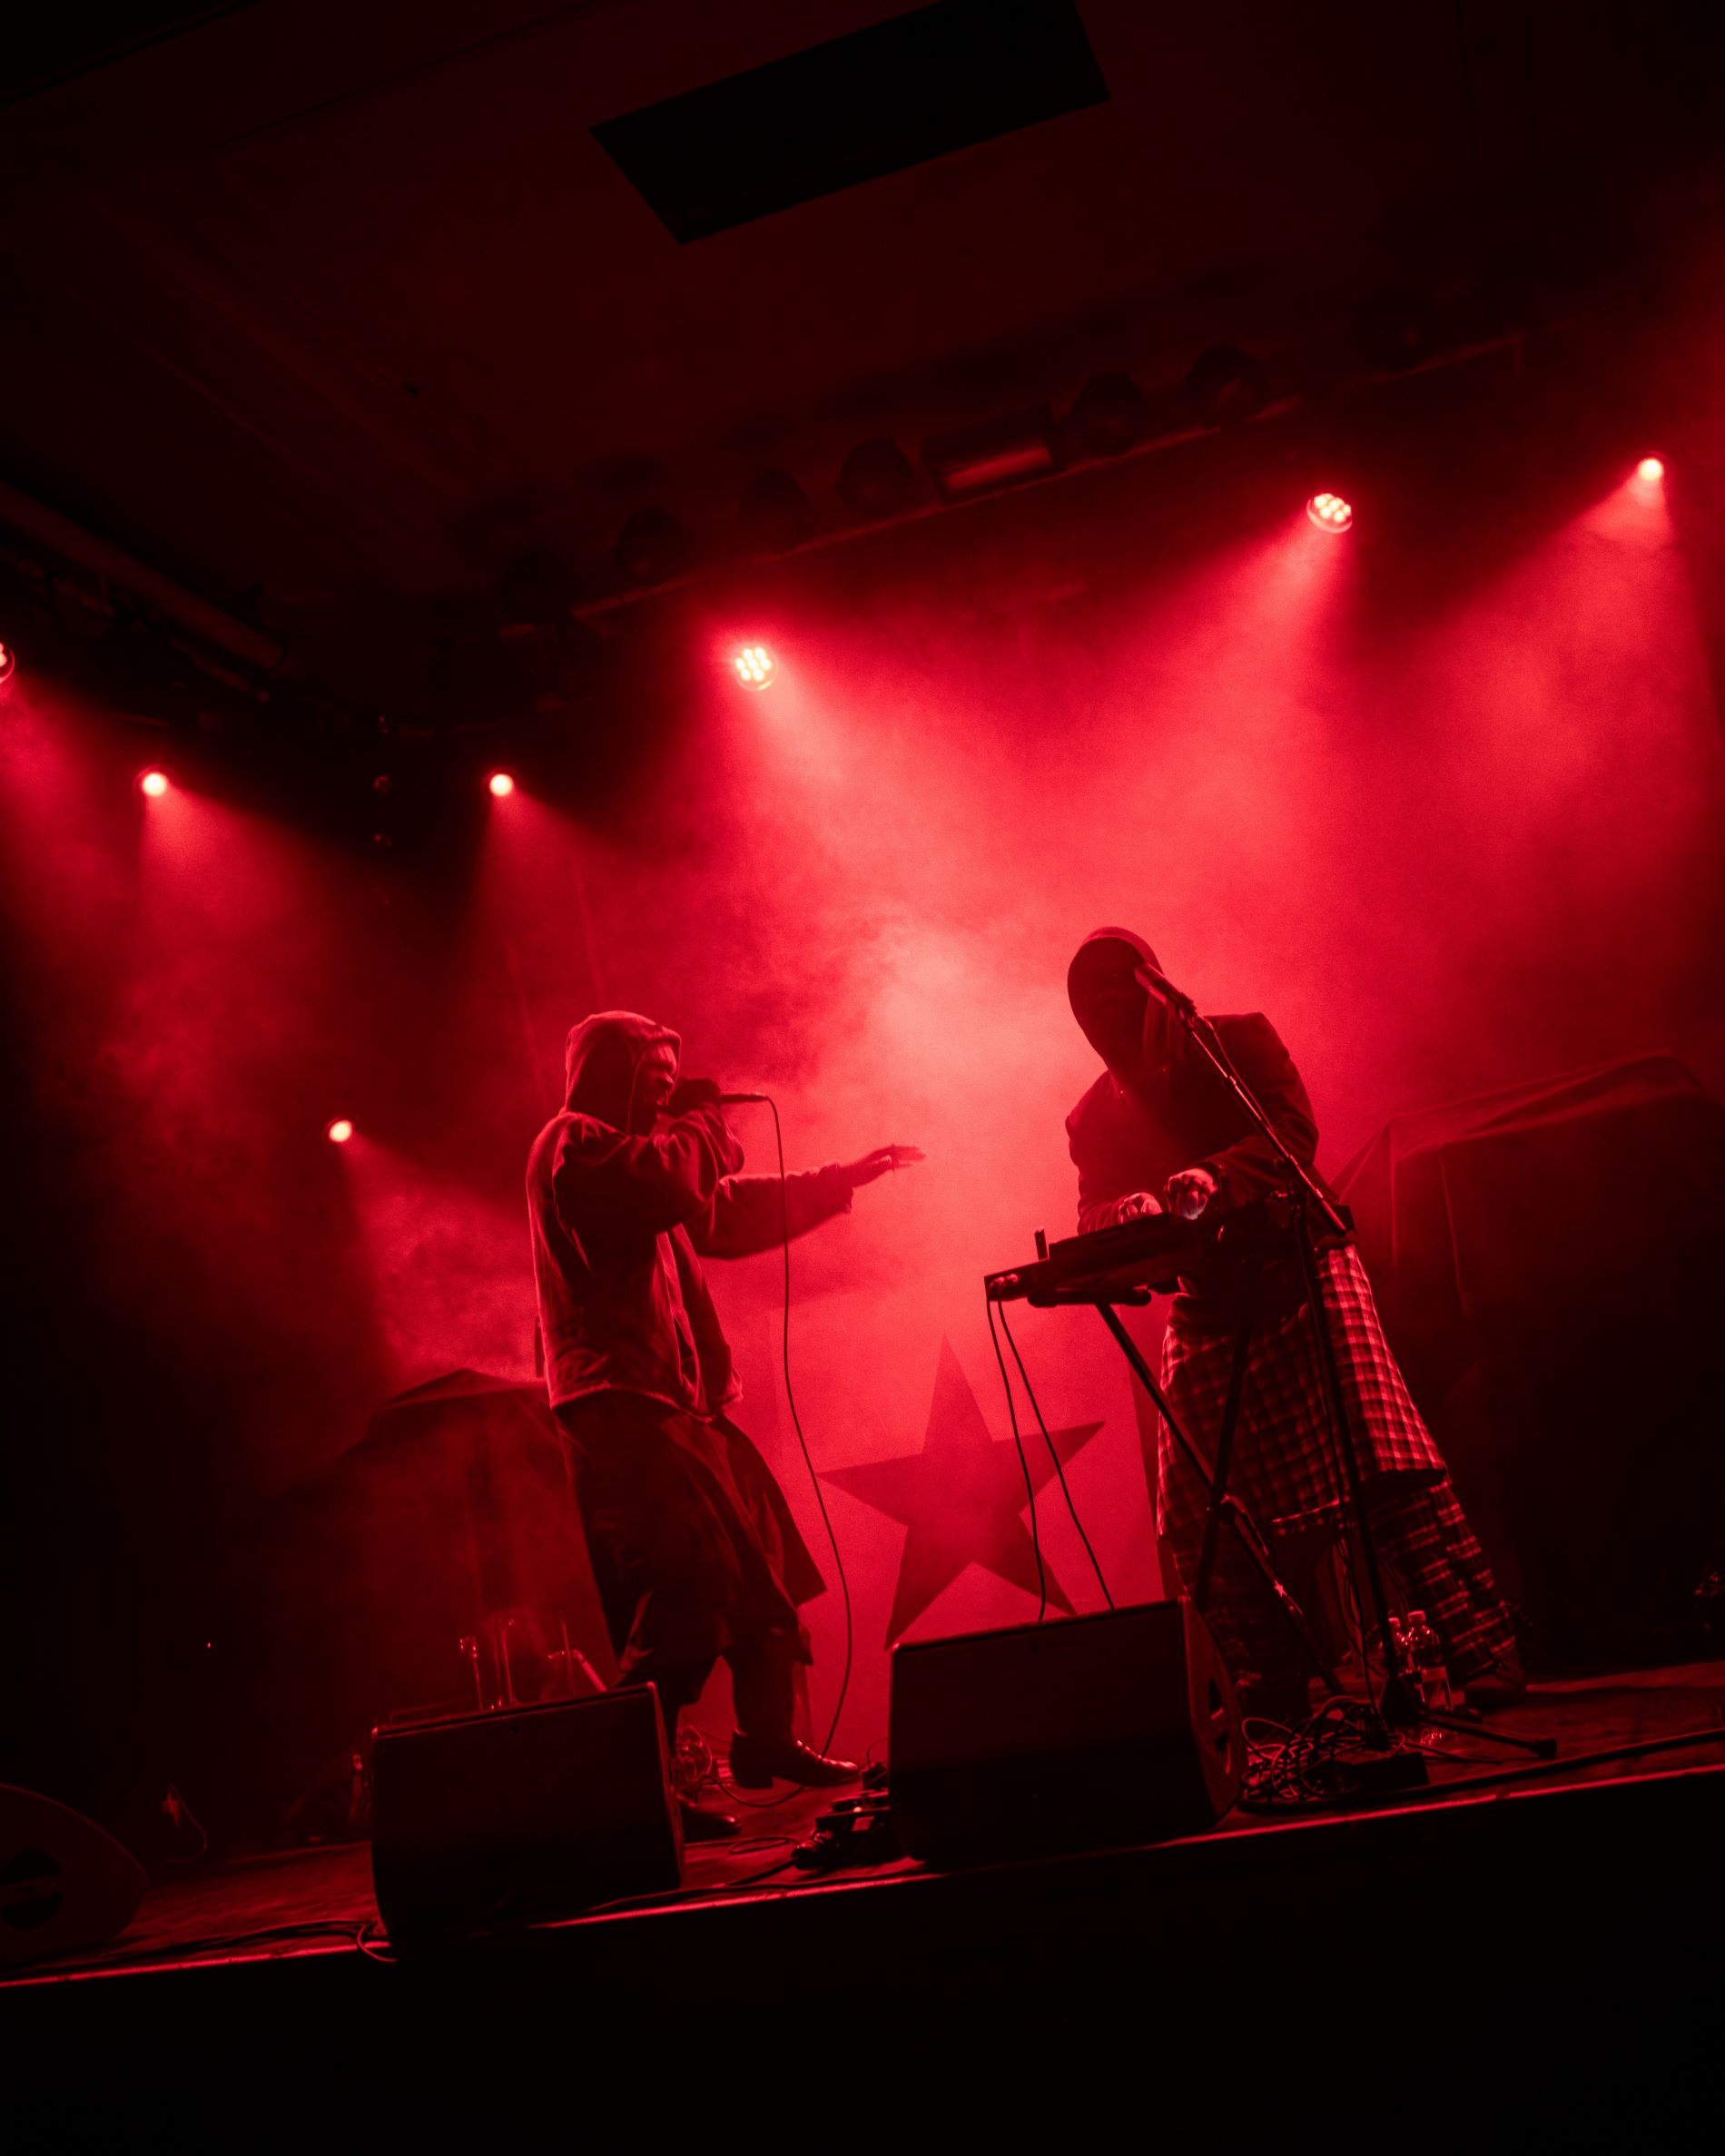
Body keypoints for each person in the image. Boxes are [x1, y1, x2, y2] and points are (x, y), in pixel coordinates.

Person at [1064, 926, 1523, 1723]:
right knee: (1193, 1505)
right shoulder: (1091, 1117)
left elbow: (1292, 1139)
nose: (1103, 1001)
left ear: (1152, 982)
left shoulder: (1234, 1041)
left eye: (1115, 981)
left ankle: (1483, 1651)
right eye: (1085, 992)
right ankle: (1265, 1684)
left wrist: (1211, 1177)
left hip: (1306, 1270)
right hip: (1207, 1304)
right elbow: (1090, 1211)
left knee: (1388, 1467)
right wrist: (1123, 1215)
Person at [527, 1009, 920, 1837]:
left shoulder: (643, 1162)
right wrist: (706, 1125)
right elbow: (675, 1180)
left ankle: (765, 1736)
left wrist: (836, 1178)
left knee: (758, 1559)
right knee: (688, 1579)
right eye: (654, 1076)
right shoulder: (575, 1144)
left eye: (674, 1080)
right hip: (616, 1397)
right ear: (606, 1072)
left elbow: (717, 1208)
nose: (669, 1092)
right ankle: (639, 1786)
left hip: (676, 1399)